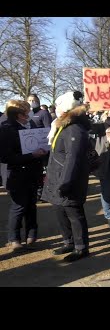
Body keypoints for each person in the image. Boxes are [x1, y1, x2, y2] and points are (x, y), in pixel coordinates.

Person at [42, 91, 91, 262]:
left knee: (74, 214)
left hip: (68, 180)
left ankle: (81, 247)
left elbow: (73, 159)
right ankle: (68, 241)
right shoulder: (62, 126)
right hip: (57, 177)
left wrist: (66, 182)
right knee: (60, 211)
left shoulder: (74, 129)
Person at [0, 100, 46, 251]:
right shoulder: (7, 129)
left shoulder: (31, 125)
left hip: (33, 172)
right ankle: (14, 239)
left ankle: (32, 235)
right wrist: (31, 155)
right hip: (16, 174)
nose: (30, 114)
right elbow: (6, 157)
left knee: (32, 205)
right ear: (19, 115)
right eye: (27, 112)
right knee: (19, 206)